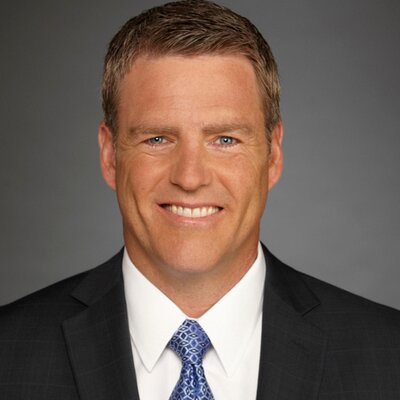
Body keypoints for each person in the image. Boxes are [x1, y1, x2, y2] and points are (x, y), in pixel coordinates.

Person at [1, 1, 400, 399]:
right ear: (110, 155)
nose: (190, 178)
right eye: (157, 139)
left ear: (273, 155)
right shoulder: (10, 354)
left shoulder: (388, 356)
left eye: (225, 139)